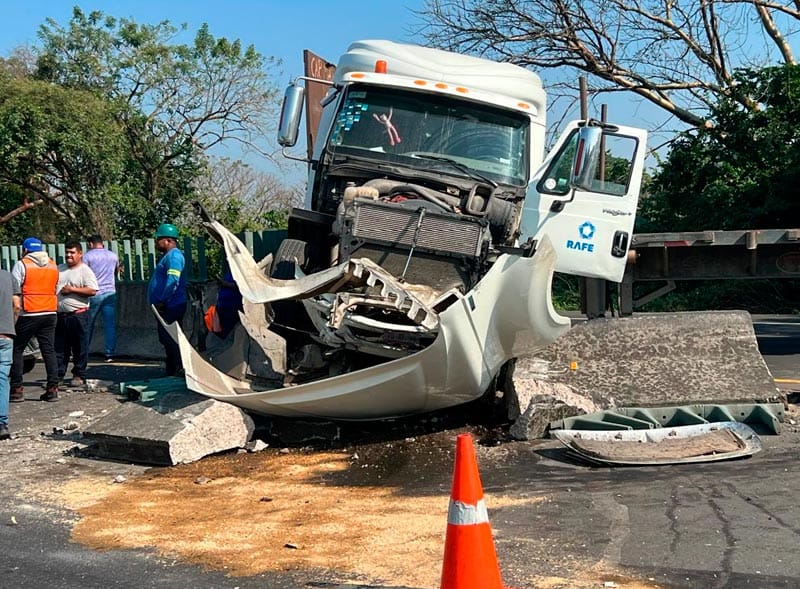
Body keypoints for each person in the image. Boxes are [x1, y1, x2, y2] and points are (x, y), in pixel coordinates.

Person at [10, 237, 60, 402]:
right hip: (50, 312)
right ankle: (52, 389)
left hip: (29, 312)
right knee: (49, 350)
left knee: (17, 349)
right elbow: (56, 287)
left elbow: (15, 289)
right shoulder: (53, 265)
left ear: (25, 250)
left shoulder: (22, 264)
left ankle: (17, 389)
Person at [55, 241, 98, 387]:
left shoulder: (85, 270)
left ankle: (79, 374)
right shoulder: (59, 269)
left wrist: (72, 290)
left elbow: (92, 290)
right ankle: (59, 375)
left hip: (78, 315)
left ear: (80, 254)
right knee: (60, 347)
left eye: (72, 253)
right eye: (67, 252)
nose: (69, 255)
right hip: (61, 315)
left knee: (79, 347)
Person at [148, 223, 187, 376]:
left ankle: (176, 368)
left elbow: (173, 280)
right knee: (167, 338)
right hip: (167, 305)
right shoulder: (168, 257)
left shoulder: (174, 256)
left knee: (171, 338)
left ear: (168, 240)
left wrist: (163, 300)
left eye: (159, 239)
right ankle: (172, 366)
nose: (157, 243)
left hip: (171, 305)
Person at [84, 235, 121, 362]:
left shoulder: (88, 256)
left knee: (88, 324)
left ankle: (84, 351)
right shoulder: (113, 255)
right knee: (109, 325)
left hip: (94, 293)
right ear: (101, 243)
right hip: (110, 291)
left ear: (90, 244)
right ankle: (109, 353)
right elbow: (116, 272)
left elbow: (83, 274)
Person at [0, 269, 20, 440]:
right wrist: (11, 325)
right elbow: (17, 305)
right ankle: (2, 423)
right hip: (6, 335)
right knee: (2, 379)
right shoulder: (8, 276)